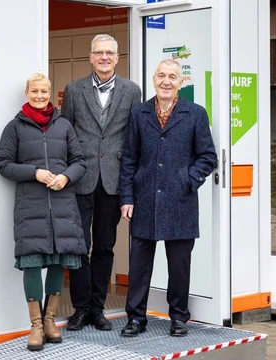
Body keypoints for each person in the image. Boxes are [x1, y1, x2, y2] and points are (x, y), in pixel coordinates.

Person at [118, 59, 217, 338]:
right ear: (153, 79)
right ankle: (136, 318)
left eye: (172, 77)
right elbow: (129, 159)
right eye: (161, 75)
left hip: (180, 201)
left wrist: (188, 179)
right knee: (139, 266)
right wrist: (127, 197)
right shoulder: (139, 113)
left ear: (180, 82)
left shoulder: (195, 113)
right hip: (144, 200)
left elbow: (207, 156)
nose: (166, 81)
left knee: (179, 266)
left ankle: (178, 317)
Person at [0, 72, 87, 351]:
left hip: (62, 206)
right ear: (27, 93)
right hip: (31, 208)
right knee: (32, 264)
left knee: (59, 262)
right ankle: (35, 326)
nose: (39, 96)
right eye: (35, 91)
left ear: (51, 93)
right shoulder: (15, 127)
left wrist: (67, 177)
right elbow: (3, 164)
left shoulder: (64, 126)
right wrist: (34, 172)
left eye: (44, 92)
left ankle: (50, 321)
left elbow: (80, 161)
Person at [60, 34, 142, 332]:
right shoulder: (73, 89)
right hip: (81, 178)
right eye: (99, 53)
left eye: (109, 53)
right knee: (80, 245)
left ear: (117, 58)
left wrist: (132, 183)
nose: (104, 57)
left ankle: (98, 309)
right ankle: (80, 309)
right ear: (91, 57)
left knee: (105, 246)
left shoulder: (132, 91)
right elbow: (65, 133)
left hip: (113, 179)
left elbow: (134, 137)